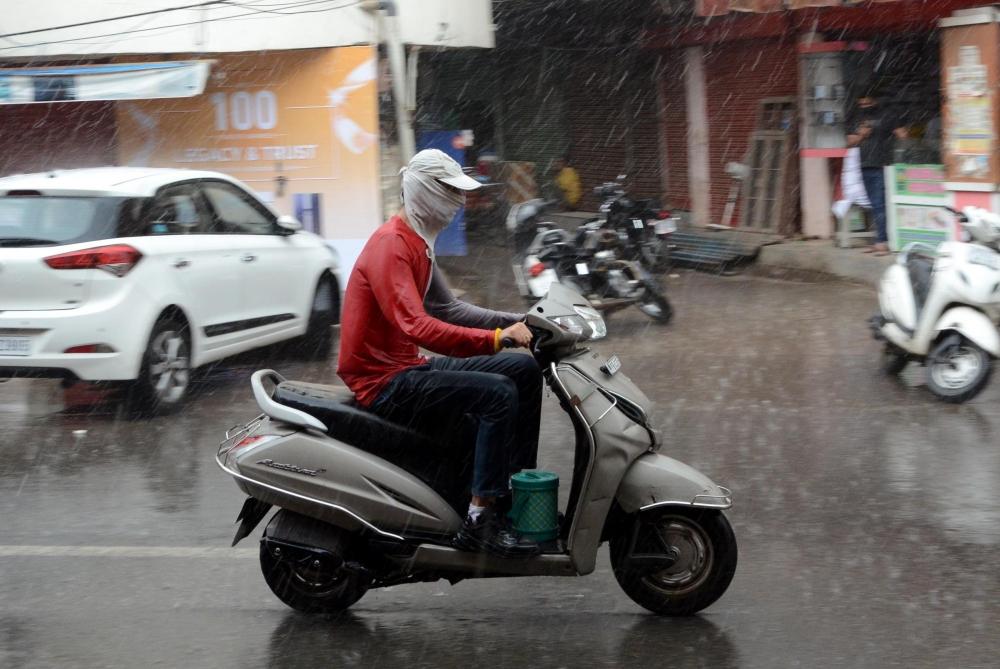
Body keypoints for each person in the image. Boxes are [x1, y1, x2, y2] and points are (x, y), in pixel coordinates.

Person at [337, 148, 543, 558]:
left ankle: (507, 493)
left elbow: (448, 309)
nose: (458, 201)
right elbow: (418, 326)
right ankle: (478, 522)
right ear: (425, 192)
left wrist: (526, 320)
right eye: (450, 191)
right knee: (497, 395)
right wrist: (498, 337)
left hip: (405, 366)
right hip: (383, 382)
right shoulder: (392, 246)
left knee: (522, 372)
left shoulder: (419, 243)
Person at [847, 93, 908, 255]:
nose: (864, 104)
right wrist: (861, 135)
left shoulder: (886, 114)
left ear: (875, 99)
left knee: (880, 204)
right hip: (863, 165)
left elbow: (903, 135)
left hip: (882, 165)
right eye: (862, 101)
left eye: (868, 100)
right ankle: (879, 239)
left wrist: (896, 151)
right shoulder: (857, 116)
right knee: (874, 205)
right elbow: (849, 141)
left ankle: (883, 241)